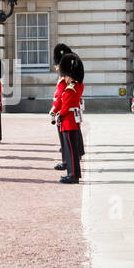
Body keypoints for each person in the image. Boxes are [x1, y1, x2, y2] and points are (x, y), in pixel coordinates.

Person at [54, 52, 84, 183]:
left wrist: (59, 114)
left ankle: (73, 175)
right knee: (71, 149)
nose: (64, 78)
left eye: (65, 75)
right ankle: (72, 173)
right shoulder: (77, 85)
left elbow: (65, 107)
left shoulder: (71, 88)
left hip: (69, 122)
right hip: (71, 122)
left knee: (71, 150)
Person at [50, 42, 72, 170]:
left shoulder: (65, 79)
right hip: (60, 112)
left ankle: (66, 161)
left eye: (57, 65)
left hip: (62, 113)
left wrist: (55, 111)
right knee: (63, 140)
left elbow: (60, 98)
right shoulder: (62, 78)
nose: (56, 67)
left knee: (65, 141)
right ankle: (65, 160)